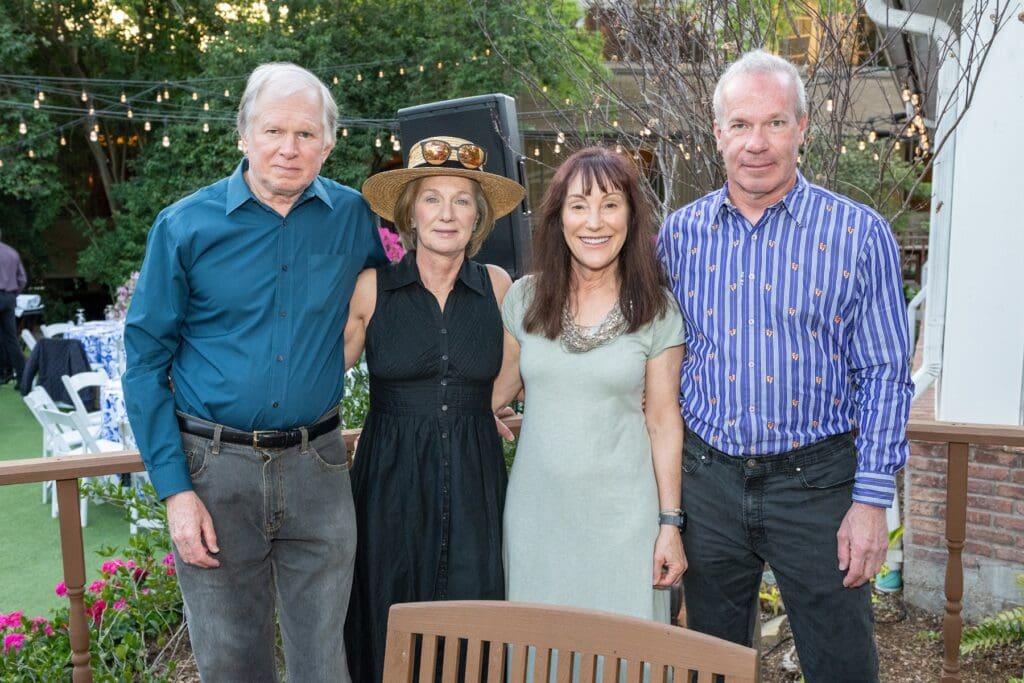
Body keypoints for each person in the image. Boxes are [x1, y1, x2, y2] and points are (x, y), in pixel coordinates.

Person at [123, 62, 388, 681]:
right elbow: (144, 365)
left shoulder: (353, 218)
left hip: (318, 467)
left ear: (328, 143)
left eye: (305, 134)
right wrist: (175, 491)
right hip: (214, 473)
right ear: (243, 134)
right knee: (232, 664)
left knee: (324, 663)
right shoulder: (185, 226)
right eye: (273, 131)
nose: (288, 149)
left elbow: (395, 304)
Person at [656, 49, 913, 681]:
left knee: (842, 665)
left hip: (818, 488)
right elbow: (651, 359)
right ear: (718, 134)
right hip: (708, 483)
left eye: (774, 123)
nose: (757, 143)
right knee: (711, 664)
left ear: (802, 126)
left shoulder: (858, 233)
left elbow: (885, 373)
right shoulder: (677, 237)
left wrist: (872, 500)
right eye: (741, 125)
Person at [343, 136, 525, 682]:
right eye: (431, 198)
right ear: (410, 215)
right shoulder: (372, 289)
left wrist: (471, 408)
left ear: (478, 218)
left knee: (474, 617)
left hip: (476, 479)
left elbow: (519, 370)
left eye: (462, 200)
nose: (447, 213)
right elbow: (320, 372)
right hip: (388, 481)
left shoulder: (498, 287)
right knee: (387, 608)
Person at [494, 147, 687, 622]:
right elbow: (494, 391)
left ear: (631, 216)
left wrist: (670, 524)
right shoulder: (524, 300)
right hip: (537, 518)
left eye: (610, 204)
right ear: (559, 218)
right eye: (578, 205)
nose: (594, 222)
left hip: (626, 522)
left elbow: (663, 422)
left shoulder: (657, 312)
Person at [0, 229, 27, 385]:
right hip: (9, 297)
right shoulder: (12, 253)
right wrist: (12, 295)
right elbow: (22, 279)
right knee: (10, 338)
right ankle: (22, 376)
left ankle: (3, 372)